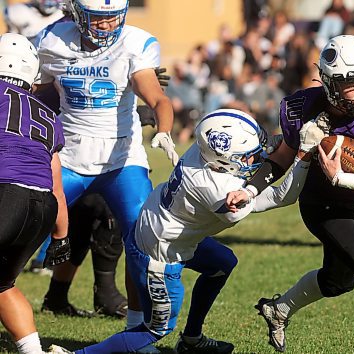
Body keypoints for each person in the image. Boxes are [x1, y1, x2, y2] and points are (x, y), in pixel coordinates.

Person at [48, 108, 322, 354]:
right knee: (155, 330)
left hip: (161, 227)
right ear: (225, 160)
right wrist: (303, 155)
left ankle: (192, 339)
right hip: (161, 252)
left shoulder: (202, 152)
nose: (253, 158)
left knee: (222, 263)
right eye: (245, 156)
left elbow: (261, 149)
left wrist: (289, 137)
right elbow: (281, 197)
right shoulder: (219, 193)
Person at [226, 35, 354, 353]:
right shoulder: (301, 106)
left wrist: (342, 177)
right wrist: (249, 189)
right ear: (330, 83)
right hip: (320, 204)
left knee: (337, 282)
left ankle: (277, 310)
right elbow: (280, 161)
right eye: (352, 84)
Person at [34, 0, 178, 351]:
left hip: (121, 158)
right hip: (67, 157)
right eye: (98, 17)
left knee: (142, 241)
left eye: (113, 16)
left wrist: (163, 128)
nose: (107, 24)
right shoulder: (51, 40)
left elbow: (156, 96)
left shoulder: (135, 42)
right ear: (78, 15)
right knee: (19, 224)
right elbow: (33, 90)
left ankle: (136, 331)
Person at [0, 33, 70, 354]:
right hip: (42, 208)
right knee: (2, 284)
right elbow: (55, 180)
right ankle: (33, 352)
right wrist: (60, 236)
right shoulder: (47, 116)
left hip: (5, 195)